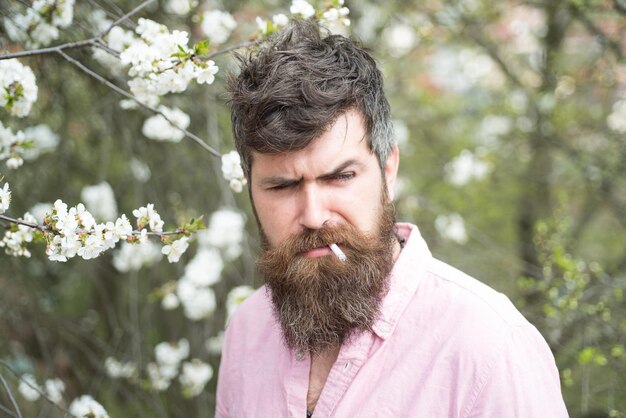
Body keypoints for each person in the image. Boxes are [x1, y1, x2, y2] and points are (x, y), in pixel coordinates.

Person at [216, 18, 568, 418]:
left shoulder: (488, 347)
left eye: (341, 177)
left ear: (388, 171)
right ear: (250, 187)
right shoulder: (247, 331)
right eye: (281, 186)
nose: (313, 216)